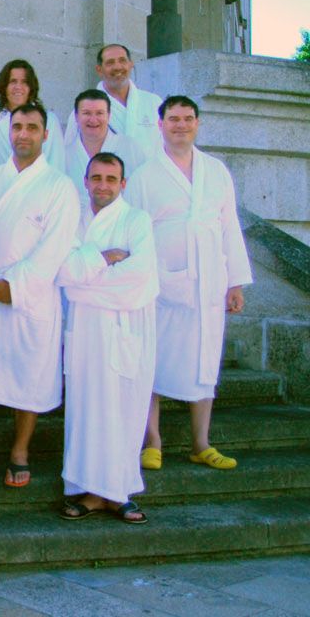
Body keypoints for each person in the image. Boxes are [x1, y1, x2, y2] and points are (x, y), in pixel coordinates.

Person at [0, 102, 79, 488]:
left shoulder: (60, 186)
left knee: (31, 373)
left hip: (32, 297)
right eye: (17, 126)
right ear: (9, 132)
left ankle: (21, 451)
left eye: (32, 127)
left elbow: (56, 245)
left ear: (45, 134)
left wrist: (18, 285)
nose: (23, 133)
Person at [126, 96, 252, 472]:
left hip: (209, 283)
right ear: (160, 124)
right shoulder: (146, 175)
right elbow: (135, 232)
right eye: (174, 119)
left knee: (204, 359)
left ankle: (201, 442)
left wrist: (236, 282)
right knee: (155, 358)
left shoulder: (216, 171)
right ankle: (153, 440)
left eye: (188, 119)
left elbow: (229, 226)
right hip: (162, 285)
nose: (181, 125)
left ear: (198, 123)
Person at [58, 152, 156, 525]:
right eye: (96, 178)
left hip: (126, 328)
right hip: (84, 330)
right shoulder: (74, 219)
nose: (102, 185)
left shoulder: (137, 220)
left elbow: (139, 278)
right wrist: (105, 258)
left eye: (110, 179)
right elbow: (62, 269)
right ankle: (89, 490)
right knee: (87, 409)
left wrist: (85, 275)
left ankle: (119, 492)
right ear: (85, 181)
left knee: (123, 408)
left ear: (123, 184)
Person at [67, 44, 163, 158]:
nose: (117, 67)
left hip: (148, 174)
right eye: (110, 62)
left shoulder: (153, 102)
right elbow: (69, 154)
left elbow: (168, 145)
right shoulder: (84, 110)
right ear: (99, 69)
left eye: (122, 61)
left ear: (131, 64)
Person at [0, 60, 66, 172]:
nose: (18, 87)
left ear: (31, 88)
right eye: (13, 81)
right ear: (4, 87)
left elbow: (56, 164)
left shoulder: (49, 121)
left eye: (24, 82)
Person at [62, 89, 144, 194]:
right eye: (86, 113)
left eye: (99, 113)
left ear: (109, 116)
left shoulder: (130, 147)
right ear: (76, 117)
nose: (93, 120)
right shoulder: (65, 154)